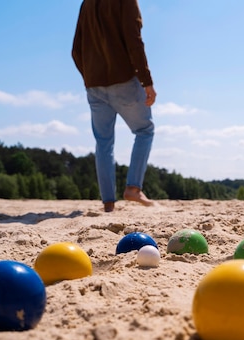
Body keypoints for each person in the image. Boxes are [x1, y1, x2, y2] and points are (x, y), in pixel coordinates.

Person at [72, 0, 156, 212]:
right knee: (145, 130)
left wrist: (89, 77)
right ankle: (133, 188)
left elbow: (75, 50)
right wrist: (147, 82)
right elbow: (134, 41)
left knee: (103, 142)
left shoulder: (87, 4)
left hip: (94, 85)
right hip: (124, 81)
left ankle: (108, 203)